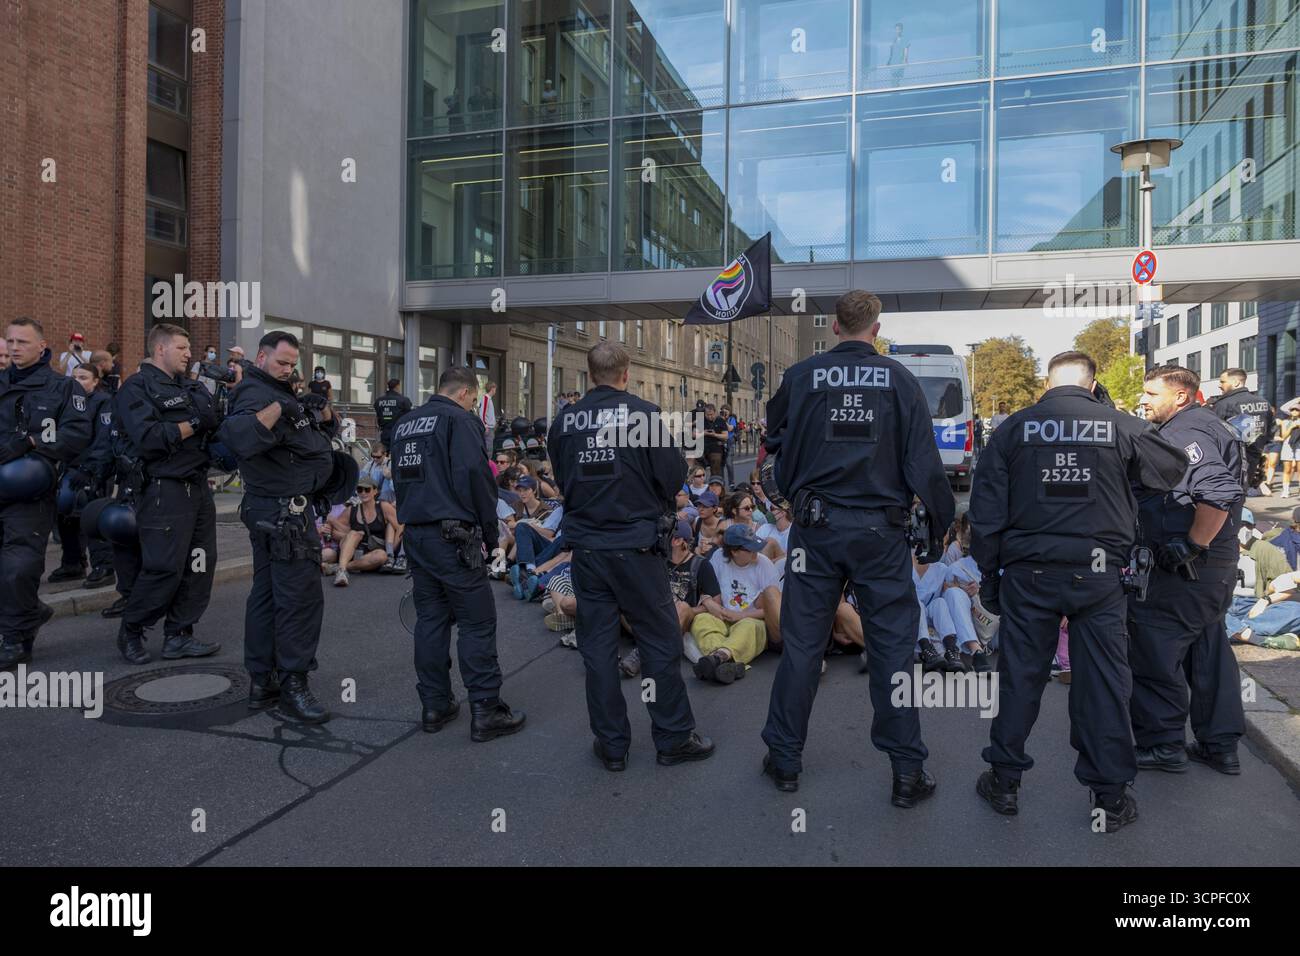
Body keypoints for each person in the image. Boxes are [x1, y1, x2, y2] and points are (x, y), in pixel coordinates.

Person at [970, 351, 1186, 831]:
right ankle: (1109, 797)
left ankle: (1004, 781)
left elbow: (986, 514)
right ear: (1093, 386)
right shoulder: (1118, 425)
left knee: (1020, 678)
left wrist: (989, 577)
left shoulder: (1013, 429)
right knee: (1104, 683)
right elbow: (1171, 469)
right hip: (1100, 576)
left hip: (1029, 574)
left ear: (1047, 383)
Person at [759, 290, 954, 803]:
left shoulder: (802, 377)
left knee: (802, 646)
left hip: (815, 532)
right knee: (892, 650)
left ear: (836, 326)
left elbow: (772, 436)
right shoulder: (901, 381)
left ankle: (784, 759)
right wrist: (936, 530)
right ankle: (907, 772)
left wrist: (793, 482)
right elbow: (926, 466)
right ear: (876, 326)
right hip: (880, 534)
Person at [548, 340, 713, 772]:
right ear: (627, 374)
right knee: (659, 643)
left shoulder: (565, 421)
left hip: (587, 548)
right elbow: (675, 475)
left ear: (588, 375)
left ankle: (612, 745)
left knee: (598, 650)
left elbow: (563, 478)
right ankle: (674, 738)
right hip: (636, 547)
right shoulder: (642, 414)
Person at [392, 366, 526, 740]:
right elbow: (477, 478)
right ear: (466, 393)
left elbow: (402, 480)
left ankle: (434, 704)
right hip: (454, 536)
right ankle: (486, 709)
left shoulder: (407, 423)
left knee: (430, 621)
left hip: (417, 535)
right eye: (475, 398)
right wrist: (488, 534)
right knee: (476, 622)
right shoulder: (459, 421)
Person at [1129, 364, 1249, 779]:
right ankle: (1220, 745)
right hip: (1211, 571)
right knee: (1207, 652)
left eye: (1150, 393)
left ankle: (1162, 745)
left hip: (1185, 569)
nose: (1143, 399)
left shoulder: (1186, 431)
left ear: (1180, 396)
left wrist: (1192, 544)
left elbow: (1217, 489)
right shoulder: (1206, 424)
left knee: (1155, 652)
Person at [217, 331, 338, 723]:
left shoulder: (280, 390)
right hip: (283, 513)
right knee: (298, 601)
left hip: (281, 510)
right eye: (281, 362)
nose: (288, 370)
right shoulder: (254, 393)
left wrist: (321, 412)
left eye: (292, 364)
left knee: (268, 596)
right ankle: (293, 685)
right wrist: (279, 410)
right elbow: (238, 439)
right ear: (261, 356)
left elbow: (320, 436)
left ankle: (263, 681)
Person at [112, 324, 221, 664]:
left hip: (199, 488)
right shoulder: (137, 387)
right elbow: (148, 438)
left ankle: (179, 635)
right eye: (182, 348)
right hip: (164, 490)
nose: (190, 354)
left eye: (188, 348)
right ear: (160, 350)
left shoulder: (192, 387)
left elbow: (214, 428)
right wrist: (193, 425)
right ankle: (132, 630)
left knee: (200, 564)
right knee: (163, 568)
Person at [0, 317, 92, 669]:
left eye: (22, 342)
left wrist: (31, 442)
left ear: (42, 346)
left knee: (18, 568)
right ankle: (31, 612)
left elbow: (77, 435)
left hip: (30, 495)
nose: (14, 347)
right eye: (10, 341)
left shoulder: (63, 388)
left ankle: (15, 640)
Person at [48, 362, 116, 589]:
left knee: (92, 517)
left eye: (84, 377)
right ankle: (73, 563)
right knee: (65, 515)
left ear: (95, 381)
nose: (77, 381)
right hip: (69, 467)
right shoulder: (68, 402)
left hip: (94, 470)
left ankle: (104, 567)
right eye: (74, 376)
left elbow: (104, 438)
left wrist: (90, 469)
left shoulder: (103, 402)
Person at [691, 524, 783, 684]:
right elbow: (707, 589)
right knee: (701, 620)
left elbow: (772, 610)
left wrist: (740, 615)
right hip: (723, 615)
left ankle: (717, 659)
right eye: (750, 548)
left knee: (749, 627)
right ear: (733, 551)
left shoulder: (764, 564)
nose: (756, 551)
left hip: (752, 619)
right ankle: (726, 662)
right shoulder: (718, 557)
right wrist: (709, 602)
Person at [324, 476, 398, 586]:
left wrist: (392, 551)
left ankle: (339, 567)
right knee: (354, 533)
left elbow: (400, 527)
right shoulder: (351, 510)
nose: (363, 493)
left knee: (382, 556)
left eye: (367, 490)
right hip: (351, 551)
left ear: (375, 491)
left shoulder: (383, 507)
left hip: (373, 553)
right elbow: (333, 531)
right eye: (359, 489)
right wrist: (351, 535)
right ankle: (341, 572)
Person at [1213, 367, 1274, 495]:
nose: (1219, 385)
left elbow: (1214, 433)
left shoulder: (1224, 404)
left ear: (1236, 382)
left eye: (1223, 381)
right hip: (1253, 459)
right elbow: (1269, 433)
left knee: (1227, 498)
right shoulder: (1264, 403)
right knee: (1241, 496)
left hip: (1229, 462)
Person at [372, 378, 412, 452]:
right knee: (398, 454)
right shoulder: (403, 400)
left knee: (385, 454)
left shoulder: (379, 401)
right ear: (397, 386)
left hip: (384, 432)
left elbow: (378, 415)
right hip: (399, 432)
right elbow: (409, 415)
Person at [1279, 405, 1300, 498]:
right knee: (1287, 469)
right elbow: (1283, 437)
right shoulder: (1285, 422)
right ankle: (1286, 490)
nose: (1294, 411)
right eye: (1292, 410)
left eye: (1297, 410)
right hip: (1288, 445)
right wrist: (1291, 427)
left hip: (1299, 445)